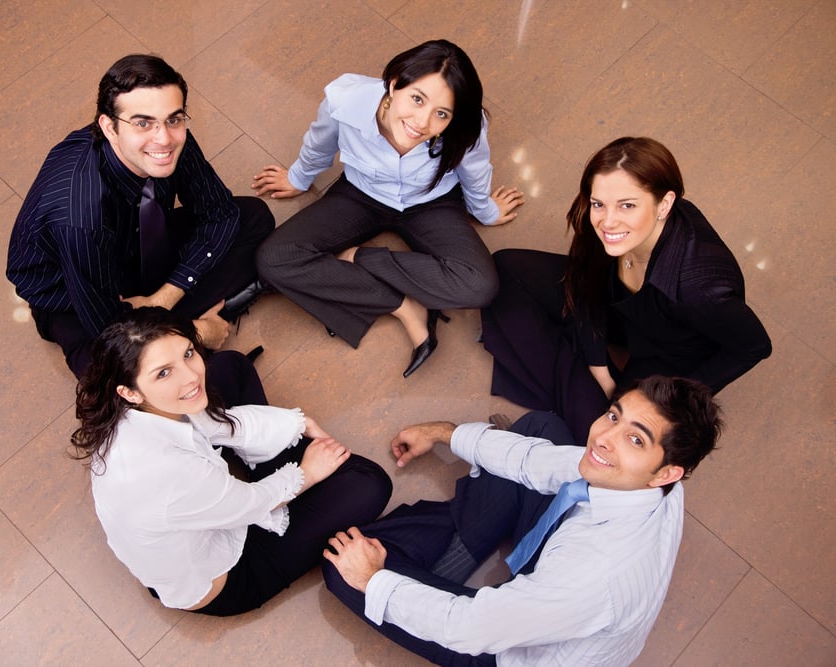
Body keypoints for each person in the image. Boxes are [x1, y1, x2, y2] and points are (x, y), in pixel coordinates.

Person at [322, 376, 722, 666]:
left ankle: (451, 555)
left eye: (636, 439)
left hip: (507, 650)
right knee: (541, 429)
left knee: (344, 567)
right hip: (559, 572)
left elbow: (470, 629)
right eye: (613, 416)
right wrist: (442, 432)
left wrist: (375, 580)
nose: (603, 437)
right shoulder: (652, 481)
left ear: (666, 472)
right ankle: (463, 545)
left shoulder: (598, 576)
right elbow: (536, 461)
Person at [71, 307, 392, 616]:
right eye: (164, 373)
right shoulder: (174, 474)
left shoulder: (129, 411)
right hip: (228, 575)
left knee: (229, 366)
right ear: (130, 392)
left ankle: (272, 461)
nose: (191, 376)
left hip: (198, 510)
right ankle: (278, 465)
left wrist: (296, 423)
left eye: (187, 353)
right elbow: (252, 504)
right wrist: (307, 472)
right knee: (370, 484)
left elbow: (212, 422)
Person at [252, 39, 524, 378]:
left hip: (431, 202)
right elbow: (319, 142)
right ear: (395, 84)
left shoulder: (467, 126)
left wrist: (485, 210)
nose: (422, 123)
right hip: (360, 194)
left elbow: (475, 169)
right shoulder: (345, 100)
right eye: (416, 99)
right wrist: (298, 177)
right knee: (273, 258)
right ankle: (405, 307)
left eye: (441, 114)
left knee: (480, 285)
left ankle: (358, 258)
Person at [480, 136, 770, 442]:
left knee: (604, 435)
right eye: (598, 204)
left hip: (666, 349)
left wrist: (675, 399)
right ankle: (577, 372)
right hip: (618, 307)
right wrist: (599, 368)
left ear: (665, 204)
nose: (608, 221)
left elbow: (755, 346)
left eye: (628, 205)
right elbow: (585, 279)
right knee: (506, 269)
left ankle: (571, 378)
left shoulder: (699, 289)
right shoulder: (608, 226)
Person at [7, 54, 275, 379]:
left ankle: (160, 335)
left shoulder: (171, 141)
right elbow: (108, 326)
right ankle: (179, 332)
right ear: (109, 127)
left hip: (139, 249)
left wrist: (162, 298)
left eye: (174, 119)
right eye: (143, 123)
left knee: (254, 218)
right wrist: (193, 333)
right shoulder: (80, 217)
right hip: (74, 288)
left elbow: (219, 214)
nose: (163, 139)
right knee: (108, 371)